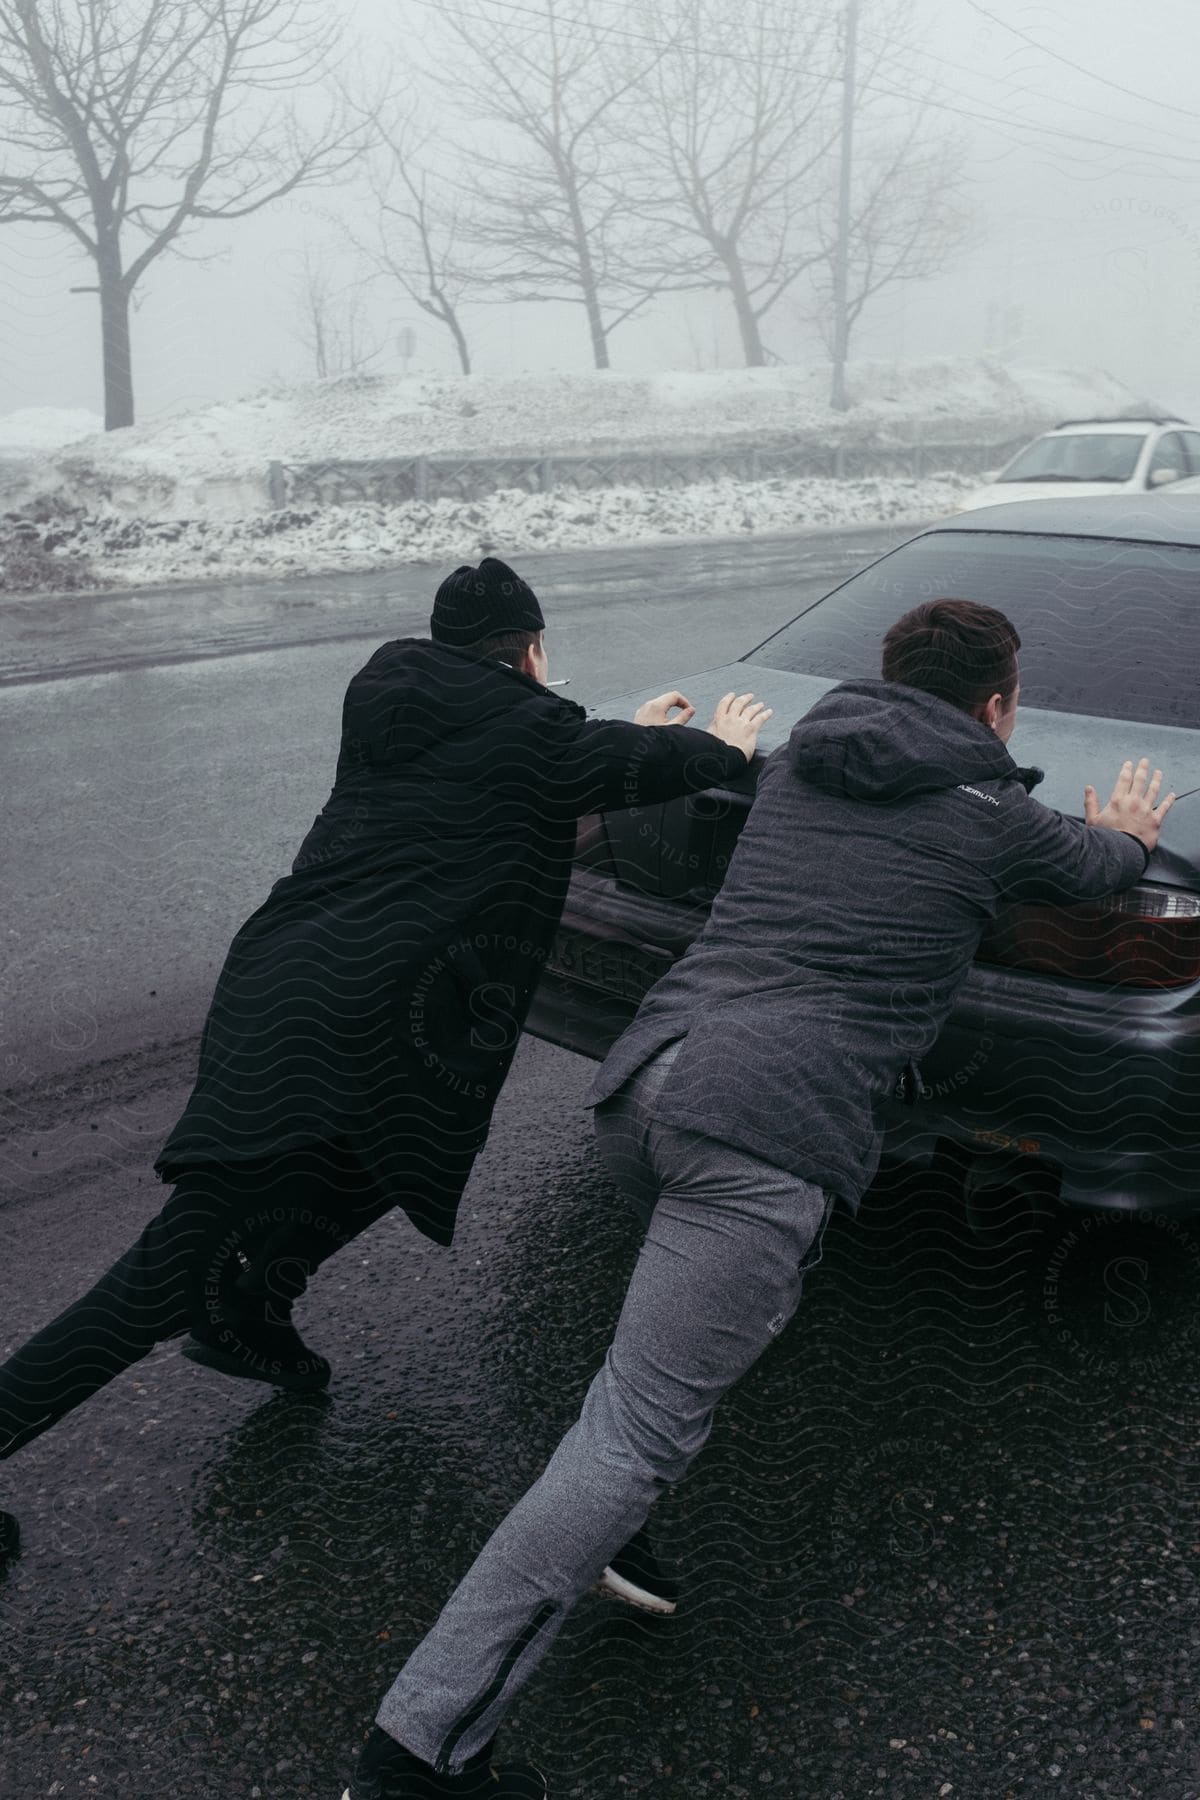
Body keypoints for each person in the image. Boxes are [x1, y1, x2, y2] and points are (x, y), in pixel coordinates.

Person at [340, 597, 1175, 1800]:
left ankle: (609, 1527)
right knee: (635, 1432)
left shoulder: (793, 771)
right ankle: (424, 1746)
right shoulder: (992, 817)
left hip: (649, 1086)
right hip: (764, 1130)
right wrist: (1133, 832)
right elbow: (1097, 866)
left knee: (654, 1378)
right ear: (997, 707)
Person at [0, 557, 769, 1573]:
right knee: (156, 1278)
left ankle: (250, 1314)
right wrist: (717, 743)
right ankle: (185, 1326)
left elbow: (532, 763)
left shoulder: (398, 709)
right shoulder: (533, 734)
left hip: (288, 987)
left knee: (375, 1163)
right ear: (528, 651)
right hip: (331, 1032)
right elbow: (605, 761)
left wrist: (617, 729)